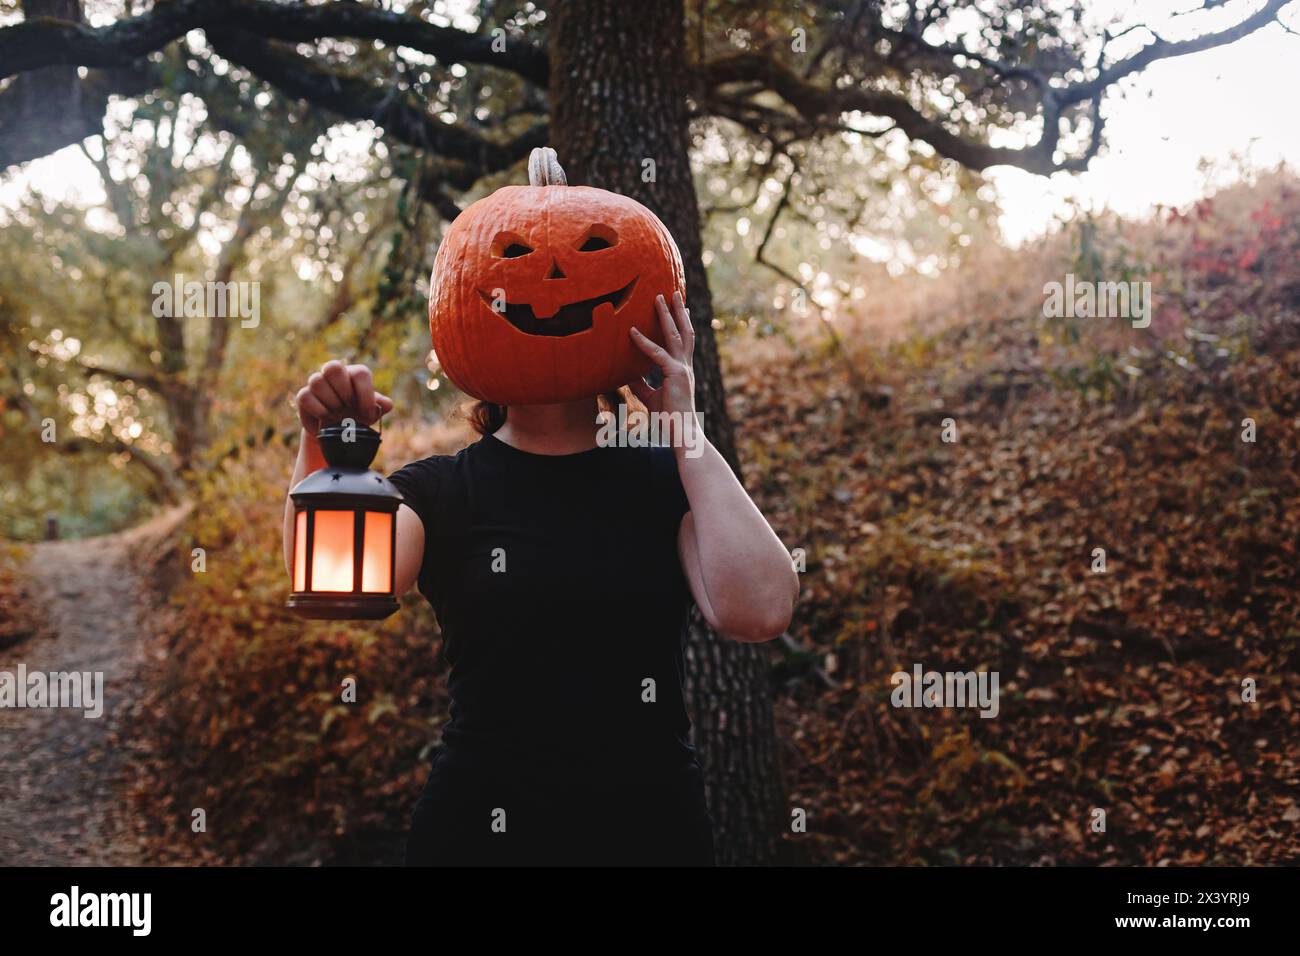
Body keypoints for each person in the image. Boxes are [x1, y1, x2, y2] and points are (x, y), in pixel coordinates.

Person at [283, 291, 798, 865]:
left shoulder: (667, 478)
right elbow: (334, 584)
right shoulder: (439, 491)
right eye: (518, 269)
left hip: (648, 831)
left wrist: (685, 428)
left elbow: (760, 608)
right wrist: (325, 450)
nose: (550, 290)